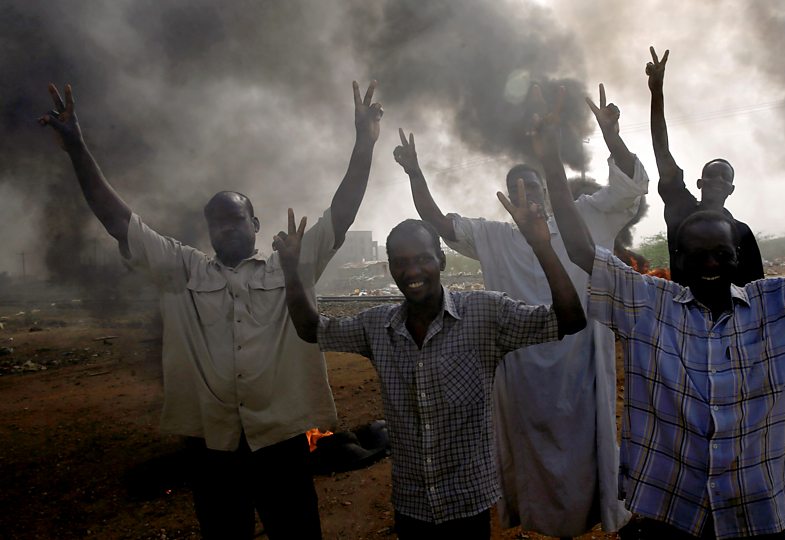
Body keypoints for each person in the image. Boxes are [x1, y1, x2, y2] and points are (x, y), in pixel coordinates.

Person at [539, 64, 785, 539]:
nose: (709, 263)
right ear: (678, 260)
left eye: (720, 254)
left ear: (738, 257)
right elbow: (580, 247)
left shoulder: (778, 306)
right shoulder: (650, 304)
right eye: (695, 256)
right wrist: (552, 157)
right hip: (668, 507)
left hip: (751, 510)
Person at [38, 80, 384, 539]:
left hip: (280, 440)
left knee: (297, 530)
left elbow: (343, 212)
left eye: (234, 218)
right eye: (215, 223)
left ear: (255, 224)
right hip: (211, 444)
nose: (224, 229)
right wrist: (77, 147)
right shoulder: (182, 270)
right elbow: (119, 221)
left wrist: (364, 142)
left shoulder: (292, 262)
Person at [392, 83, 648, 536]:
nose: (524, 192)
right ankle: (540, 521)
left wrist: (611, 136)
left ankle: (588, 516)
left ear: (548, 191)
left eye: (531, 184)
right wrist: (414, 173)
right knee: (529, 453)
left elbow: (629, 188)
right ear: (504, 197)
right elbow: (437, 221)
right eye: (514, 187)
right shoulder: (494, 237)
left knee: (586, 449)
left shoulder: (583, 216)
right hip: (522, 372)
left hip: (582, 362)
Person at [274, 180, 587, 539]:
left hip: (467, 502)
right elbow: (310, 328)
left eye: (423, 259)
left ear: (440, 259)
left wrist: (541, 245)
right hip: (412, 504)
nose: (413, 272)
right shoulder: (376, 325)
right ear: (389, 267)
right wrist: (290, 269)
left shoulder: (485, 313)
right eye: (401, 263)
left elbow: (570, 320)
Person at [647, 46, 764, 287]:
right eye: (712, 175)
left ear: (731, 189)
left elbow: (756, 289)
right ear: (700, 183)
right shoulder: (681, 210)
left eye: (724, 178)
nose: (718, 181)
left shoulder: (742, 233)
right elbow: (662, 152)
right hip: (685, 315)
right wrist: (657, 93)